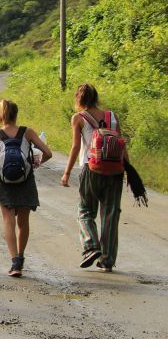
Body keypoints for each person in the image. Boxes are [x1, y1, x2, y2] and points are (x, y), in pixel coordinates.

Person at [60, 83, 126, 272]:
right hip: (115, 170)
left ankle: (91, 246)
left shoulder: (79, 118)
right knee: (111, 214)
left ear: (78, 99)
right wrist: (128, 170)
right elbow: (121, 144)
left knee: (85, 211)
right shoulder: (113, 116)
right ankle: (107, 260)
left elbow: (75, 147)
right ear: (96, 97)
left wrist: (66, 173)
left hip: (91, 168)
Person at [0, 99, 52, 277]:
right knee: (23, 222)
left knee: (8, 221)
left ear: (0, 115)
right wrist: (35, 164)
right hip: (25, 180)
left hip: (4, 183)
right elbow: (48, 153)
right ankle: (20, 257)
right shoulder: (27, 132)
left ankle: (14, 262)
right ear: (16, 114)